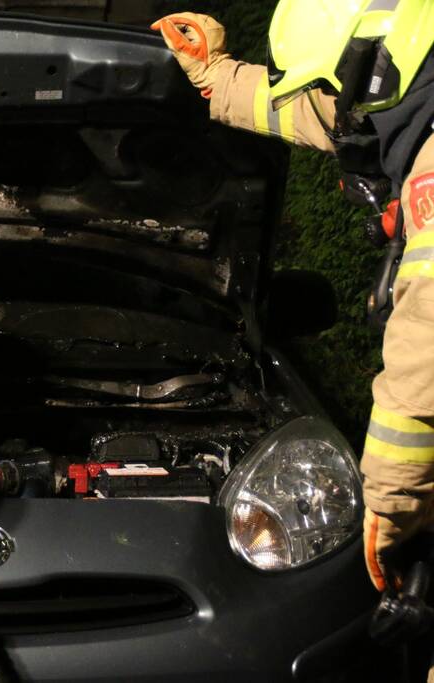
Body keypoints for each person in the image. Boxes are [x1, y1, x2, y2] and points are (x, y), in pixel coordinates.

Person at [151, 0, 434, 601]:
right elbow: (314, 111)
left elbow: (425, 353)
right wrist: (214, 75)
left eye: (338, 86)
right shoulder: (407, 94)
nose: (340, 110)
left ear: (373, 68)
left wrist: (391, 507)